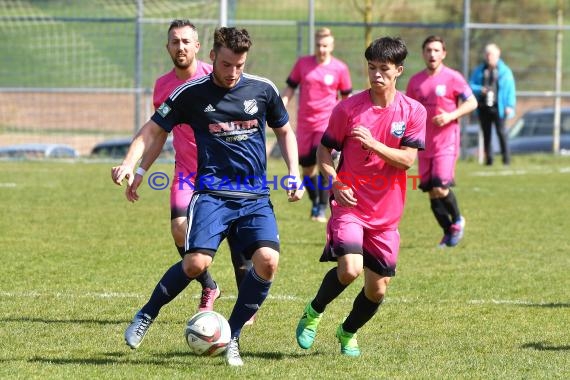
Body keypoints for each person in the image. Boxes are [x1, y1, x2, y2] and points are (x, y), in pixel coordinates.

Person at [111, 27, 304, 367]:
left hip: (255, 196)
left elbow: (285, 131)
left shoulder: (262, 89)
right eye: (227, 64)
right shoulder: (191, 94)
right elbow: (153, 130)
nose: (233, 73)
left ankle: (233, 337)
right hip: (213, 193)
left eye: (239, 65)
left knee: (268, 261)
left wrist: (294, 172)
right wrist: (131, 164)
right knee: (196, 263)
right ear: (213, 56)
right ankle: (146, 313)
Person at [295, 37, 426, 356]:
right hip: (349, 205)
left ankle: (347, 331)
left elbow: (408, 160)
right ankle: (313, 312)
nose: (376, 74)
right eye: (371, 67)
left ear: (399, 71)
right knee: (350, 269)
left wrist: (375, 145)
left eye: (384, 69)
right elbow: (324, 149)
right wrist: (335, 182)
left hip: (386, 216)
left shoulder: (413, 111)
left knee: (377, 289)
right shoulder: (348, 108)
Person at [125, 19, 254, 319]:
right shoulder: (163, 86)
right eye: (175, 42)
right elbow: (158, 133)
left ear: (198, 47)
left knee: (239, 238)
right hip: (187, 172)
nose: (180, 47)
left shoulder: (218, 75)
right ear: (168, 47)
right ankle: (209, 286)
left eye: (186, 41)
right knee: (178, 230)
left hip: (225, 172)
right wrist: (141, 171)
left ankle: (246, 304)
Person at [406, 35, 478, 248]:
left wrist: (450, 115)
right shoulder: (415, 82)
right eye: (428, 50)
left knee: (440, 187)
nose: (432, 54)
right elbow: (409, 110)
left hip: (446, 142)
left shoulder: (453, 77)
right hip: (423, 143)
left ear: (443, 54)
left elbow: (472, 102)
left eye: (437, 50)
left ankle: (457, 220)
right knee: (430, 190)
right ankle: (448, 232)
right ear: (423, 53)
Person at [281, 27, 352, 222]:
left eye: (325, 46)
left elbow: (347, 98)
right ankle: (315, 202)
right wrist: (281, 105)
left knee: (323, 163)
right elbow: (290, 88)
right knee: (307, 169)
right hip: (304, 124)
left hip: (327, 123)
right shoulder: (303, 64)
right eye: (319, 45)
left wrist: (347, 121)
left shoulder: (340, 68)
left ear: (332, 46)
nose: (322, 49)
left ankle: (321, 207)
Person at [469, 43, 516, 166]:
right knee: (486, 134)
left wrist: (509, 105)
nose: (489, 57)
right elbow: (470, 85)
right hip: (483, 106)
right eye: (487, 54)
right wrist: (480, 89)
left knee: (501, 133)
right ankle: (489, 160)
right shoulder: (479, 71)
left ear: (498, 55)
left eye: (492, 54)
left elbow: (511, 90)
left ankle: (506, 159)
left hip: (499, 107)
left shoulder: (505, 71)